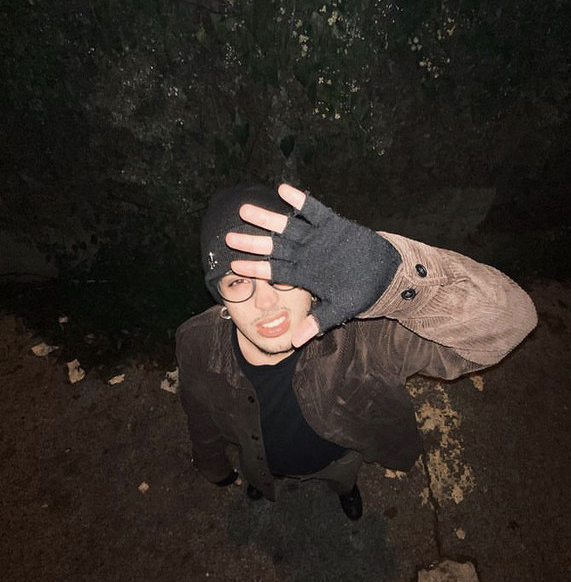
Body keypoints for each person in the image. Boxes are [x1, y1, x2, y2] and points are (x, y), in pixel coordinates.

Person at [177, 183, 537, 521]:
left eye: (281, 272)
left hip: (338, 458)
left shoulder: (365, 336)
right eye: (238, 281)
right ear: (220, 296)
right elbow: (199, 416)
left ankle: (345, 490)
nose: (266, 302)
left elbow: (512, 323)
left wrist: (395, 280)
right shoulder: (196, 342)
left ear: (311, 276)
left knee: (342, 478)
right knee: (259, 475)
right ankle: (260, 483)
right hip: (261, 461)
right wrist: (214, 467)